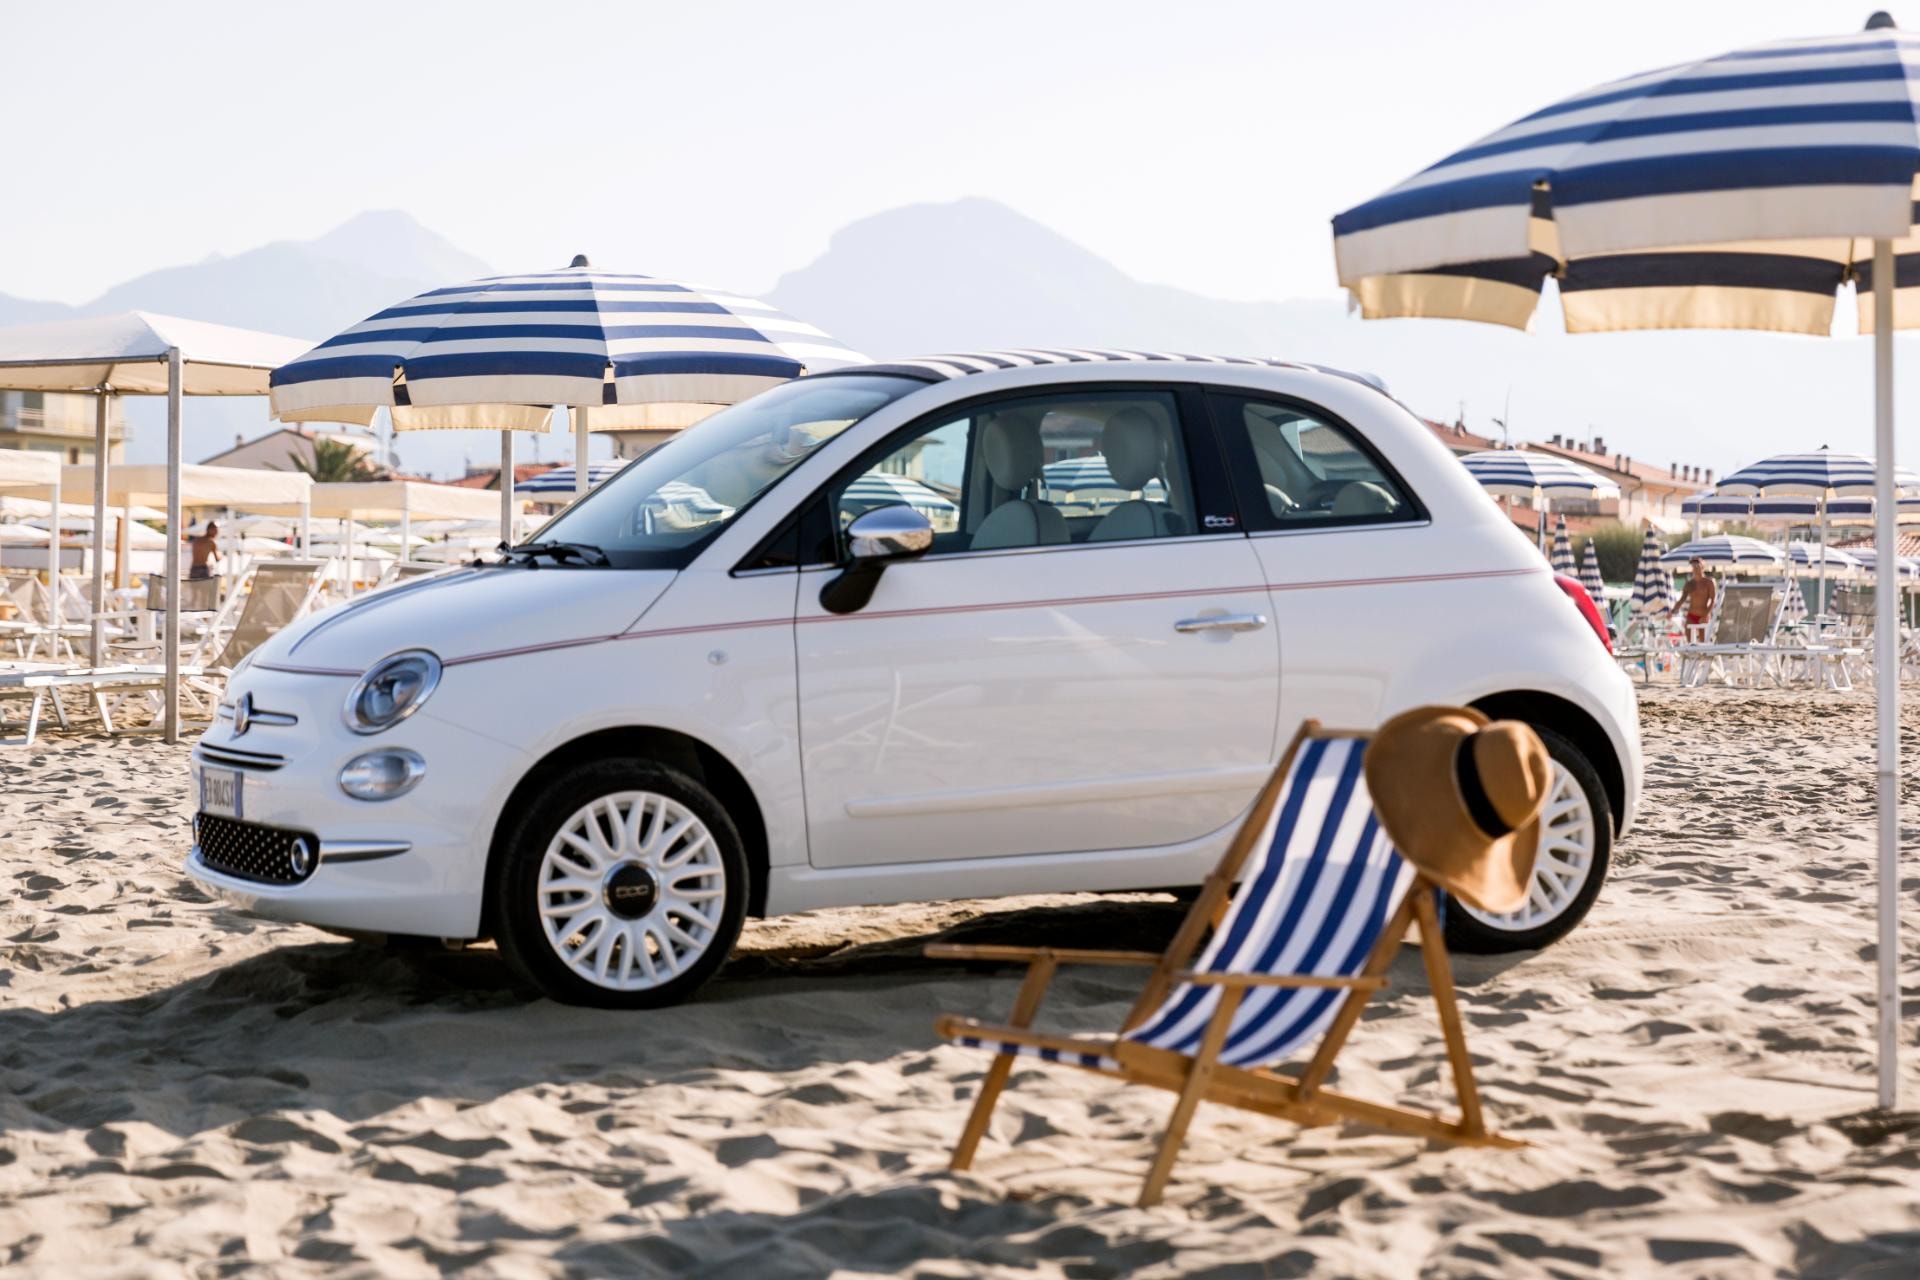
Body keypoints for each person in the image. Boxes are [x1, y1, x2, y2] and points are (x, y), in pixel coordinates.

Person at [1681, 556, 1714, 639]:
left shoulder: (1709, 582)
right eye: (1693, 566)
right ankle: (1692, 652)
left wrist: (1706, 614)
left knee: (1703, 642)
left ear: (1702, 567)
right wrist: (1673, 611)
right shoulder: (1690, 584)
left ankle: (1702, 651)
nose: (1695, 568)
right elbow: (1682, 600)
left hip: (1704, 615)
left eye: (1697, 565)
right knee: (1689, 641)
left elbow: (1712, 600)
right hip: (1691, 615)